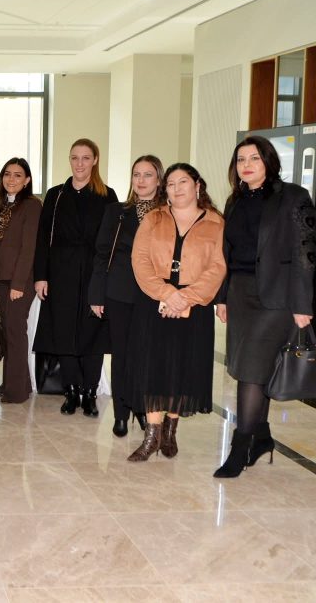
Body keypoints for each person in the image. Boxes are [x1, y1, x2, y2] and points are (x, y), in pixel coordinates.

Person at [213, 136, 316, 478]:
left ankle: (239, 447)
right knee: (256, 369)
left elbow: (305, 253)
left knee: (250, 371)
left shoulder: (294, 197)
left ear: (269, 161)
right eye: (241, 159)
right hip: (240, 294)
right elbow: (227, 254)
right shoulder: (235, 201)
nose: (246, 165)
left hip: (277, 298)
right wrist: (223, 297)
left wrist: (302, 304)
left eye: (254, 158)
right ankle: (262, 438)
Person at [126, 163, 225, 461]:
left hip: (194, 305)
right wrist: (167, 293)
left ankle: (170, 430)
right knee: (153, 368)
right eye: (170, 183)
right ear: (165, 189)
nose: (177, 188)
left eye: (183, 182)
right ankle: (152, 436)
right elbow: (140, 260)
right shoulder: (154, 218)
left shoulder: (216, 223)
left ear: (197, 186)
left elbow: (218, 267)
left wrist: (186, 298)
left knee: (181, 368)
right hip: (154, 300)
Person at [33, 138, 118, 417]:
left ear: (95, 160)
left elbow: (113, 242)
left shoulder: (107, 195)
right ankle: (70, 392)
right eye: (74, 158)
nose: (79, 163)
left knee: (93, 335)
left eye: (85, 158)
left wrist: (108, 280)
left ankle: (90, 393)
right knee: (64, 333)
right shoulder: (55, 195)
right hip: (61, 274)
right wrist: (41, 276)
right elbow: (43, 238)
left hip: (95, 275)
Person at [89, 155, 164, 437]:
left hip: (155, 295)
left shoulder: (168, 214)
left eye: (147, 175)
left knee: (147, 356)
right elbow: (101, 255)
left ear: (159, 179)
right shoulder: (117, 212)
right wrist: (96, 294)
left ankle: (143, 409)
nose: (141, 181)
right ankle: (121, 413)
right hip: (119, 292)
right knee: (121, 355)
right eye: (136, 175)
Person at [0, 157, 42, 403]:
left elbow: (29, 248)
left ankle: (16, 391)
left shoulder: (32, 206)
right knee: (9, 330)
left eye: (18, 175)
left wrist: (18, 284)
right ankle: (17, 383)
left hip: (19, 280)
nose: (11, 179)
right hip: (1, 278)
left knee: (15, 332)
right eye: (7, 174)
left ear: (27, 180)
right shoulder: (1, 205)